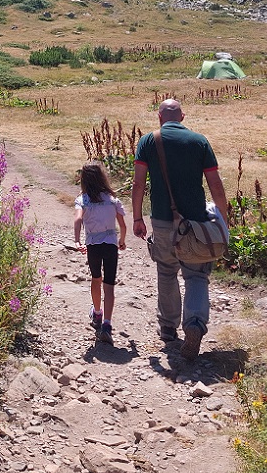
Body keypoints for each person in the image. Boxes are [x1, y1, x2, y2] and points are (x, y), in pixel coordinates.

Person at [131, 99, 229, 360]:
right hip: (195, 223)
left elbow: (138, 183)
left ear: (159, 117)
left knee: (166, 272)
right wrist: (223, 218)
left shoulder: (148, 141)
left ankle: (167, 328)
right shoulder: (199, 141)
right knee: (196, 276)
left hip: (162, 220)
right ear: (182, 117)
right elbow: (215, 185)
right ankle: (194, 325)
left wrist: (137, 217)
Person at [73, 162, 128, 344]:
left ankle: (97, 313)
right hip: (110, 245)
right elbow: (123, 225)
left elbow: (78, 219)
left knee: (96, 278)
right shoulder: (112, 200)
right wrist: (122, 240)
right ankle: (107, 324)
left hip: (93, 246)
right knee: (109, 285)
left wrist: (77, 241)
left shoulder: (83, 200)